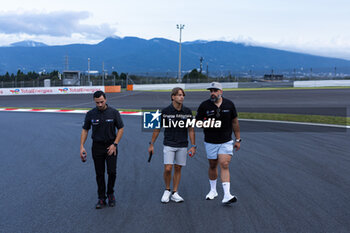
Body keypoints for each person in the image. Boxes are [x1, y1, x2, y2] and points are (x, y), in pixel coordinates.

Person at [148, 87, 196, 203]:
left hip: (182, 144)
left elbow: (191, 129)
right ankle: (167, 190)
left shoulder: (187, 111)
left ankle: (175, 192)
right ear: (173, 97)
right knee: (168, 168)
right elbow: (157, 128)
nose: (182, 97)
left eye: (183, 95)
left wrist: (193, 145)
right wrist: (152, 144)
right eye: (179, 95)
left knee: (178, 168)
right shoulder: (165, 111)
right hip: (169, 143)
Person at [196, 82, 241, 204]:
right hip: (210, 141)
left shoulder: (229, 104)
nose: (212, 93)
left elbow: (235, 122)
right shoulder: (204, 106)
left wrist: (238, 139)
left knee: (224, 164)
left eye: (215, 91)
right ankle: (213, 190)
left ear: (221, 92)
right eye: (211, 91)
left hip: (226, 140)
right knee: (212, 165)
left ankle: (227, 194)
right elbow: (197, 123)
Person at [80, 91, 124, 209]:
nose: (99, 104)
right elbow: (85, 130)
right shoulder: (90, 114)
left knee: (112, 172)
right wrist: (82, 146)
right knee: (99, 174)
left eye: (101, 102)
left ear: (106, 99)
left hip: (111, 146)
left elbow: (120, 128)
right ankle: (101, 198)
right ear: (94, 101)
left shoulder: (114, 113)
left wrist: (115, 144)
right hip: (97, 147)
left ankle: (110, 194)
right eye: (97, 102)